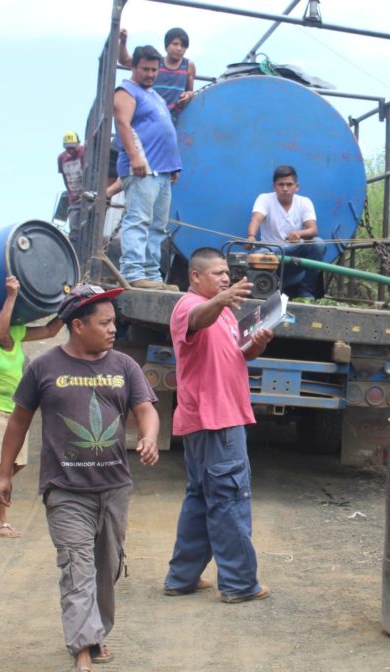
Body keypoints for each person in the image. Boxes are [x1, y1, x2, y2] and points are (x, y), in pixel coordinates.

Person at [0, 284, 160, 672]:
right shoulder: (44, 368)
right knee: (76, 566)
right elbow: (18, 421)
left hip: (114, 486)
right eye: (105, 323)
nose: (113, 329)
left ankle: (97, 631)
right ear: (78, 326)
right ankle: (82, 654)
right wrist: (3, 475)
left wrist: (149, 435)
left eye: (114, 322)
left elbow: (145, 410)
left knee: (106, 566)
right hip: (65, 489)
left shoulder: (123, 366)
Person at [164, 247, 273, 603]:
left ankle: (182, 578)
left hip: (213, 417)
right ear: (195, 277)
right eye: (217, 273)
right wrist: (222, 299)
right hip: (216, 419)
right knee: (229, 498)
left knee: (200, 498)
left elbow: (238, 355)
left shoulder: (224, 313)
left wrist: (256, 344)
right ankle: (240, 584)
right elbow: (196, 319)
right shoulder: (189, 306)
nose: (226, 278)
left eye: (227, 273)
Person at [0, 276, 63, 537]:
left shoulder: (16, 334)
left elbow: (51, 331)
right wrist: (11, 296)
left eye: (4, 328)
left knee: (15, 465)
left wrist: (71, 302)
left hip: (13, 409)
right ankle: (0, 522)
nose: (2, 336)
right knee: (2, 465)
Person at [113, 45, 182, 291]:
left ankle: (151, 275)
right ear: (134, 67)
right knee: (139, 219)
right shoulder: (126, 90)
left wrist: (173, 165)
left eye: (154, 70)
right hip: (143, 168)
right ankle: (132, 272)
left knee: (158, 226)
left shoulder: (155, 95)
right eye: (145, 69)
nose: (151, 74)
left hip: (163, 171)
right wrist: (135, 157)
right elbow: (122, 123)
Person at [246, 165, 326, 302]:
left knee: (318, 244)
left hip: (295, 255)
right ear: (274, 186)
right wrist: (251, 236)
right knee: (254, 256)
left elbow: (313, 230)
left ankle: (305, 291)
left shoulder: (304, 202)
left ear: (297, 186)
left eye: (289, 184)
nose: (285, 189)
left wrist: (299, 234)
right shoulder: (264, 199)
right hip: (272, 254)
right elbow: (256, 219)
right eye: (281, 185)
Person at [119, 27, 197, 125]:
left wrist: (188, 95)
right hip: (151, 115)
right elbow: (124, 60)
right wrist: (123, 41)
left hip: (174, 119)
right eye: (175, 44)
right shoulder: (155, 63)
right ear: (166, 45)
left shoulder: (188, 66)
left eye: (183, 46)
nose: (179, 48)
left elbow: (190, 90)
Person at [58, 132, 86, 252]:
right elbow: (64, 177)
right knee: (74, 232)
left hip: (87, 195)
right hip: (74, 198)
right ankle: (76, 257)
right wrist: (71, 194)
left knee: (88, 228)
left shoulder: (85, 152)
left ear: (78, 144)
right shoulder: (62, 158)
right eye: (68, 148)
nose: (71, 151)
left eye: (73, 148)